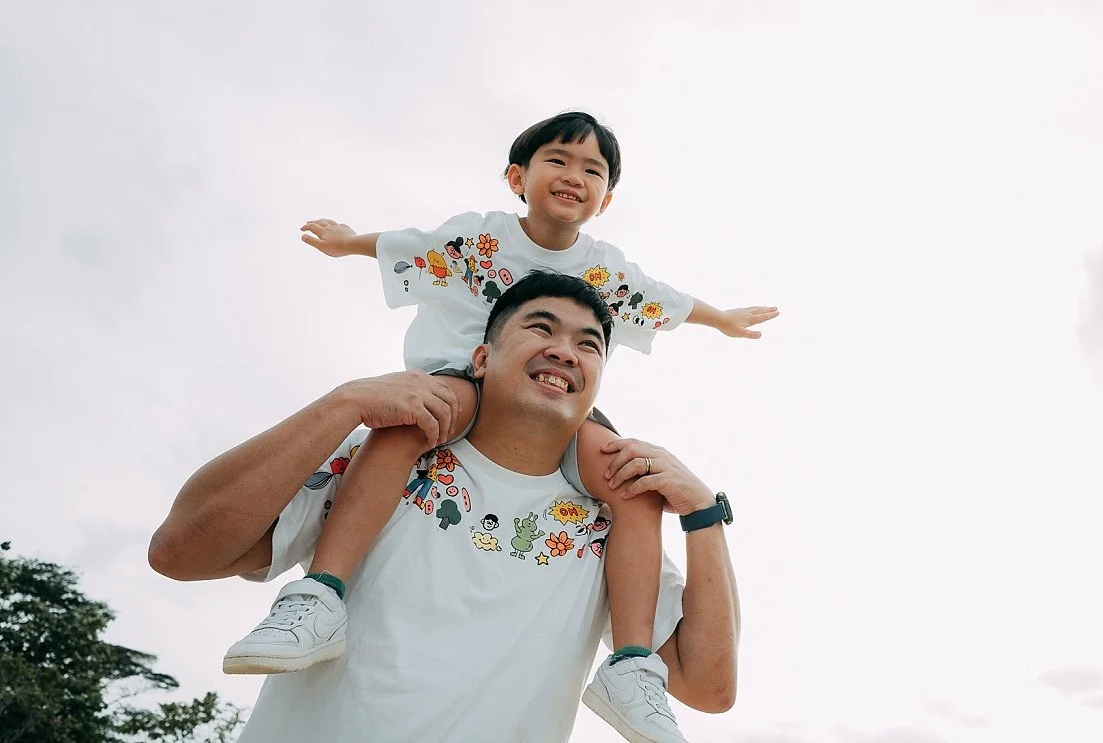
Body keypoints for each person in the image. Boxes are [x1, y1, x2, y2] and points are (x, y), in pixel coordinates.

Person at [224, 110, 774, 741]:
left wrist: (722, 319)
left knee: (631, 477)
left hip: (558, 407)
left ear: (607, 198)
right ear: (518, 175)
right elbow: (408, 243)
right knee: (409, 426)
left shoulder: (609, 272)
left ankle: (631, 668)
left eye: (592, 170)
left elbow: (669, 301)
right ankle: (322, 595)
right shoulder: (479, 239)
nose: (574, 176)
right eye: (558, 161)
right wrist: (349, 242)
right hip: (458, 383)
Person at [148, 271, 740, 743]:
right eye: (541, 329)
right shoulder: (379, 457)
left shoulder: (610, 522)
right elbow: (180, 551)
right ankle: (317, 600)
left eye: (590, 345)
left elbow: (709, 687)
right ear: (481, 359)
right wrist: (343, 403)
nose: (566, 352)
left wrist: (703, 516)